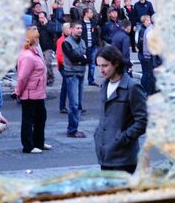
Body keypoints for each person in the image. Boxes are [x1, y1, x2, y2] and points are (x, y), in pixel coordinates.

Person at [93, 44, 148, 174]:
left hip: (123, 157)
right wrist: (98, 134)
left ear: (116, 63)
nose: (101, 70)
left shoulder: (132, 87)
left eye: (105, 66)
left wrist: (122, 138)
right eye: (99, 66)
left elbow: (143, 121)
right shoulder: (105, 85)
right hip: (105, 154)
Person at [14, 26, 49, 154]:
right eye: (37, 37)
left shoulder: (33, 52)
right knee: (29, 120)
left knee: (41, 117)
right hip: (30, 93)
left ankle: (38, 142)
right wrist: (18, 91)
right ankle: (28, 145)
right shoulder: (28, 56)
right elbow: (22, 77)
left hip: (38, 92)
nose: (38, 39)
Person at [61, 20, 88, 137]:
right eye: (77, 28)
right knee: (74, 104)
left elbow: (88, 57)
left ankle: (75, 128)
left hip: (81, 74)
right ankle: (72, 130)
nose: (80, 30)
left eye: (81, 28)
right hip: (72, 75)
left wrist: (82, 58)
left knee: (79, 104)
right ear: (71, 29)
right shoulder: (66, 43)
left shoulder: (82, 42)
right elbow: (72, 57)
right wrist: (83, 58)